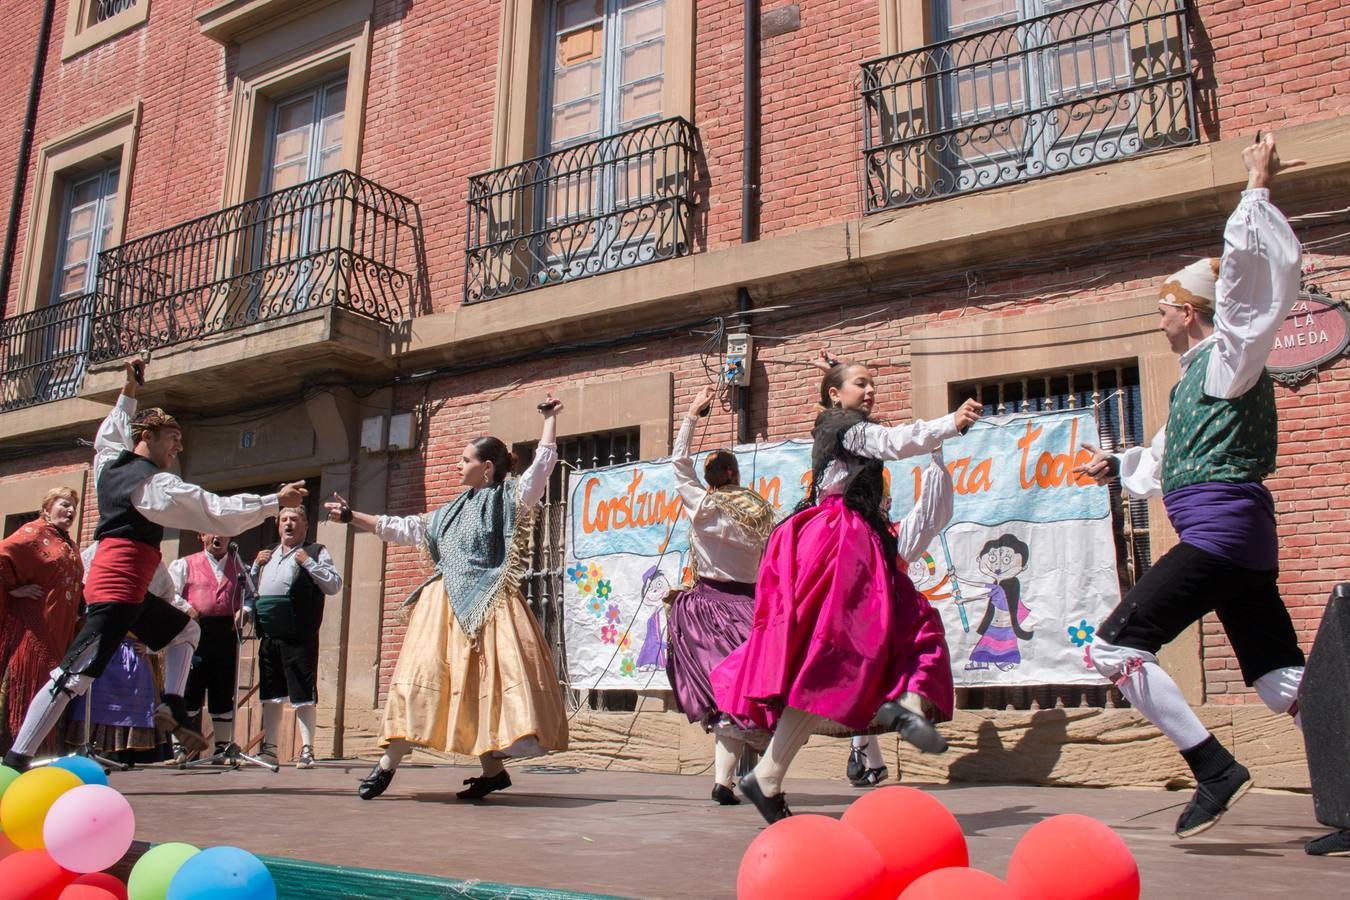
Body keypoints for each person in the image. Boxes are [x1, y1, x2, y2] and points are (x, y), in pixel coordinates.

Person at [1076, 133, 1308, 839]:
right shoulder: (1193, 384)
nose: (1160, 316)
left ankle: (1214, 770)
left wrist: (1254, 190)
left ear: (1190, 311)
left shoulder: (1226, 358)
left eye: (1166, 307)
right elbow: (1167, 457)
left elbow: (1244, 291)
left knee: (1113, 648)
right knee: (1281, 685)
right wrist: (1115, 468)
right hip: (1236, 539)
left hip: (1222, 533)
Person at [1, 358, 306, 772]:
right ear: (147, 437)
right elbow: (212, 511)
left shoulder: (110, 464)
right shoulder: (152, 484)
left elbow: (108, 437)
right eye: (173, 439)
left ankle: (171, 707)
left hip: (132, 592)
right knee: (72, 678)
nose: (178, 447)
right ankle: (16, 760)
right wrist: (274, 502)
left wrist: (129, 392)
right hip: (113, 594)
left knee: (185, 630)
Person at [712, 361, 980, 823]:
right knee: (832, 660)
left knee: (908, 623)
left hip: (861, 545)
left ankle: (900, 710)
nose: (872, 390)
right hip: (841, 546)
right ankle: (773, 773)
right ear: (835, 395)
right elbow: (891, 443)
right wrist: (947, 425)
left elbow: (881, 442)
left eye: (873, 382)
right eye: (862, 383)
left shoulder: (844, 425)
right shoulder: (846, 427)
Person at [328, 395, 569, 800]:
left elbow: (541, 467)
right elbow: (402, 528)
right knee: (424, 679)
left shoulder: (509, 499)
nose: (457, 465)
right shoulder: (449, 511)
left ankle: (491, 771)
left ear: (486, 467)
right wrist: (355, 517)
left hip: (488, 605)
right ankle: (389, 765)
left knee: (478, 688)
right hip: (441, 608)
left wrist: (549, 421)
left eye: (464, 459)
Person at [665, 385, 777, 805]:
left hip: (704, 608)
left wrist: (692, 415)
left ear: (711, 479)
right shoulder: (760, 510)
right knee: (751, 697)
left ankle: (724, 781)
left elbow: (679, 464)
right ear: (734, 475)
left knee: (728, 701)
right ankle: (754, 777)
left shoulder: (703, 507)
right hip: (747, 609)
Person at [847, 450, 955, 788]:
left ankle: (865, 752)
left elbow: (928, 514)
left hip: (883, 623)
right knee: (863, 691)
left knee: (879, 685)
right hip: (861, 625)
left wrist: (936, 460)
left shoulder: (892, 535)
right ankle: (867, 755)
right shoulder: (845, 534)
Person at [248, 507, 342, 769]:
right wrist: (255, 566)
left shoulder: (315, 551)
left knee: (302, 691)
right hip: (269, 632)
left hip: (299, 633)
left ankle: (307, 750)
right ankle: (270, 749)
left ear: (305, 525)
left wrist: (308, 563)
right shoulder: (267, 553)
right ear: (278, 525)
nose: (288, 524)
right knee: (270, 692)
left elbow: (334, 585)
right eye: (284, 520)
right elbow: (248, 589)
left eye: (294, 520)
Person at [0, 488, 84, 754]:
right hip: (33, 630)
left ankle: (38, 752)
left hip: (59, 631)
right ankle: (11, 749)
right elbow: (3, 553)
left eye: (73, 506)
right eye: (64, 504)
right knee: (24, 685)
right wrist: (13, 588)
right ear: (47, 507)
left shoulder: (67, 542)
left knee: (51, 688)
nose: (70, 511)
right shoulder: (34, 532)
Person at [169, 533, 250, 763]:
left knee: (223, 689)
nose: (218, 536)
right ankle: (179, 748)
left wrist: (245, 610)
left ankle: (222, 749)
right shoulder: (185, 563)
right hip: (194, 629)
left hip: (226, 632)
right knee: (189, 689)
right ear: (202, 536)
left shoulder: (238, 565)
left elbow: (250, 596)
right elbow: (170, 593)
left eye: (222, 531)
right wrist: (186, 607)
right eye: (211, 530)